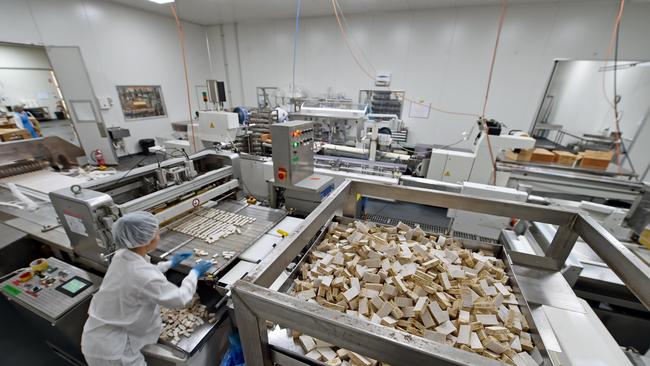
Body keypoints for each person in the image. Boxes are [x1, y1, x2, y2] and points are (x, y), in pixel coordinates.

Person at [81, 211, 213, 366]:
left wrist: (169, 264)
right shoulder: (143, 275)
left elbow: (140, 274)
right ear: (145, 241)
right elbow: (180, 298)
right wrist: (194, 273)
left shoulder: (122, 255)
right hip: (115, 352)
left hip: (97, 336)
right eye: (157, 233)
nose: (159, 236)